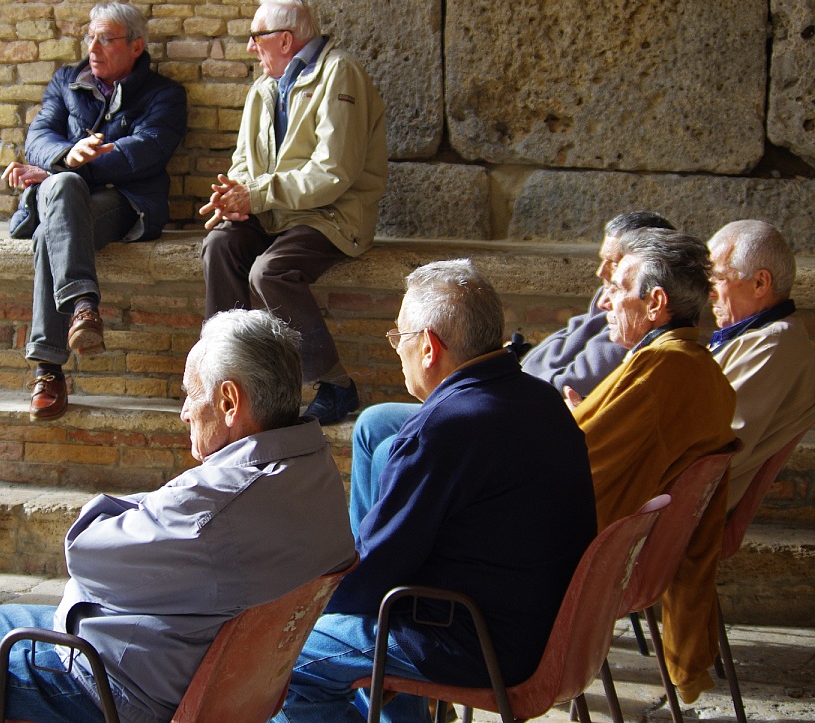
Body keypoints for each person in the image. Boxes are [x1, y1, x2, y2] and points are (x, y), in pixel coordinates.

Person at [0, 309, 356, 723]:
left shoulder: (215, 509)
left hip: (120, 692)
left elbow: (86, 554)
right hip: (186, 665)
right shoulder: (315, 471)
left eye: (189, 394)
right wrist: (162, 506)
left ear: (230, 402)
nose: (182, 413)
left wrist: (141, 505)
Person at [272, 260, 596, 723]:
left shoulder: (444, 430)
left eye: (398, 337)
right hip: (540, 623)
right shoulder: (540, 398)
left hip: (480, 641)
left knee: (287, 660)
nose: (395, 349)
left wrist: (304, 607)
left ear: (427, 347)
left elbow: (376, 573)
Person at [349, 210, 675, 529]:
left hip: (512, 410)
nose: (602, 273)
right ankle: (366, 542)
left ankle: (378, 546)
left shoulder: (631, 339)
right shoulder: (604, 310)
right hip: (508, 392)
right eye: (602, 259)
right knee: (372, 423)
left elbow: (558, 396)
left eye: (615, 265)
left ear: (652, 293)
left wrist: (504, 378)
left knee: (388, 454)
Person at [201, 0, 388, 426]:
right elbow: (244, 163)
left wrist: (258, 195)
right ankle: (225, 371)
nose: (250, 47)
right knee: (219, 245)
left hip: (333, 215)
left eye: (256, 37)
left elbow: (334, 171)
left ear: (285, 40)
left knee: (269, 271)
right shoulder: (264, 88)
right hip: (277, 213)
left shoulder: (340, 73)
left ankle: (336, 384)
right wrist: (233, 196)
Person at [571, 227, 737, 704]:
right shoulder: (694, 365)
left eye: (621, 288)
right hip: (627, 551)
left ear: (655, 302)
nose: (605, 302)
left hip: (591, 555)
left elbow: (573, 467)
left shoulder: (661, 371)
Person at [3, 1, 187, 422]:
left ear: (137, 46)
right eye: (90, 36)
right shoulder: (67, 81)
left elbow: (148, 151)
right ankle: (83, 306)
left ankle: (48, 370)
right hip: (63, 195)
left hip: (124, 202)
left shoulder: (164, 94)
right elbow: (39, 137)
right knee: (63, 189)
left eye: (106, 38)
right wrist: (68, 159)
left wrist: (81, 163)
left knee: (54, 214)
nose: (94, 47)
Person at [708, 220, 815, 509]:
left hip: (688, 506)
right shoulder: (760, 336)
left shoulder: (775, 342)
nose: (709, 293)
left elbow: (720, 444)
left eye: (717, 279)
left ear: (760, 283)